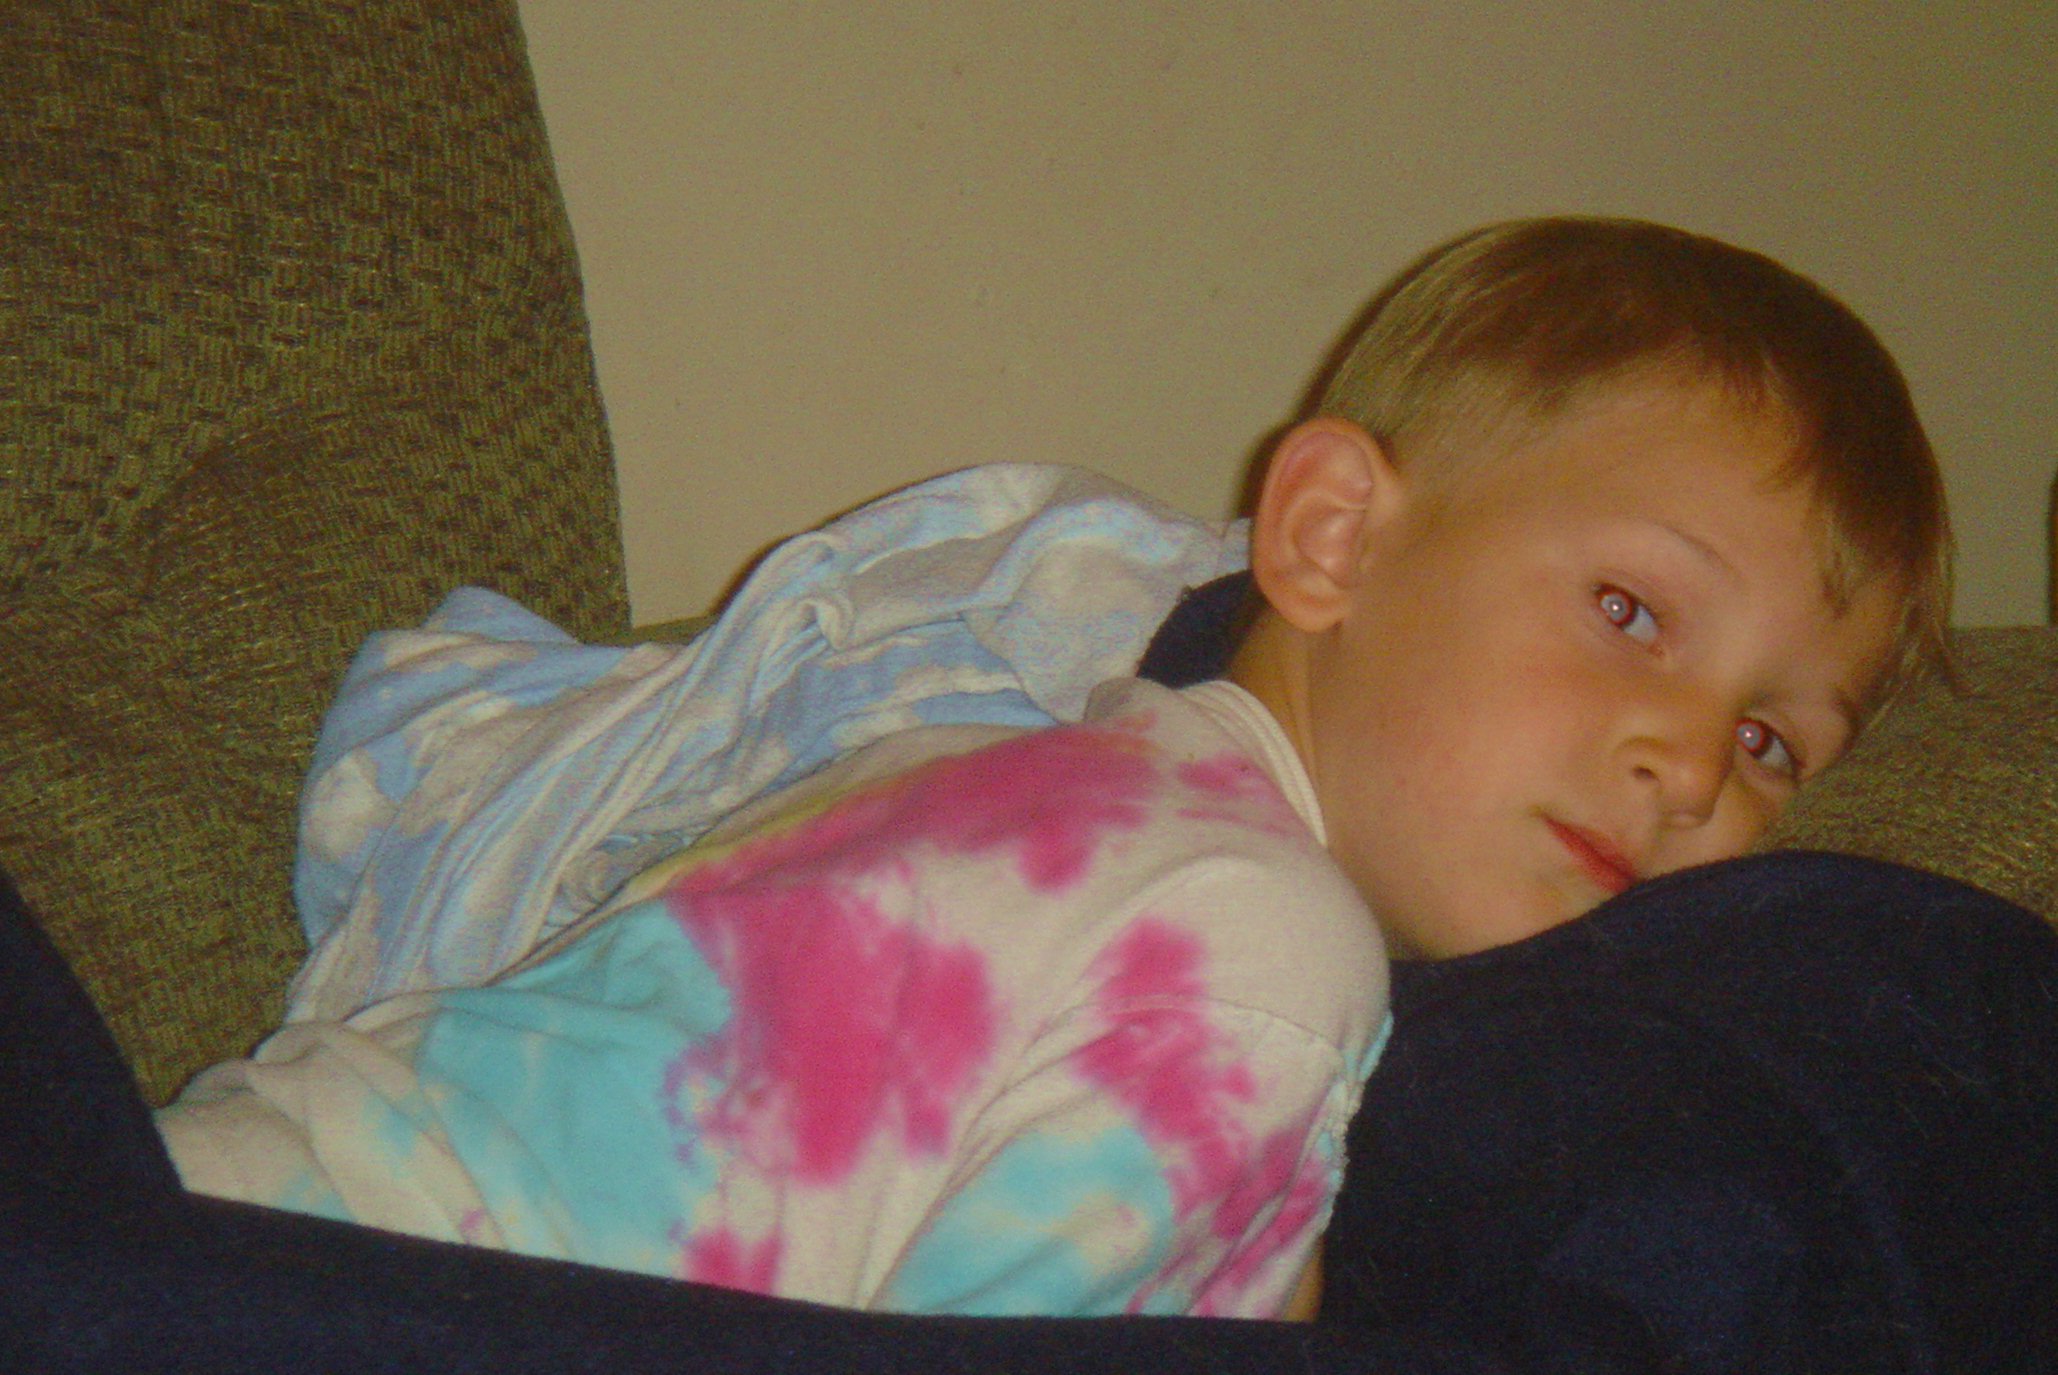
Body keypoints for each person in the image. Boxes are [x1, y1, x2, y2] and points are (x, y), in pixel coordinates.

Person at [152, 216, 1947, 1322]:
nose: (1686, 766)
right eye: (1631, 612)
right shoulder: (1253, 948)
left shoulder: (1002, 777)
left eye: (1770, 742)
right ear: (1329, 535)